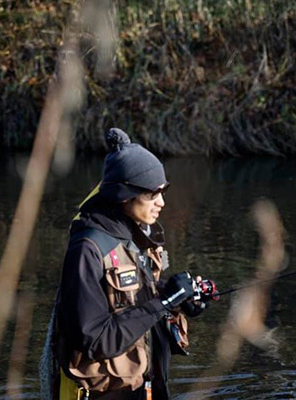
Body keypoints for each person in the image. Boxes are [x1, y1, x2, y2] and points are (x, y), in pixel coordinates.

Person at [52, 128, 209, 400]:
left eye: (164, 190)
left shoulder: (137, 235)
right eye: (153, 194)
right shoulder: (86, 250)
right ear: (125, 194)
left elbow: (137, 301)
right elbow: (95, 339)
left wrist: (181, 298)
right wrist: (164, 302)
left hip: (146, 387)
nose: (162, 202)